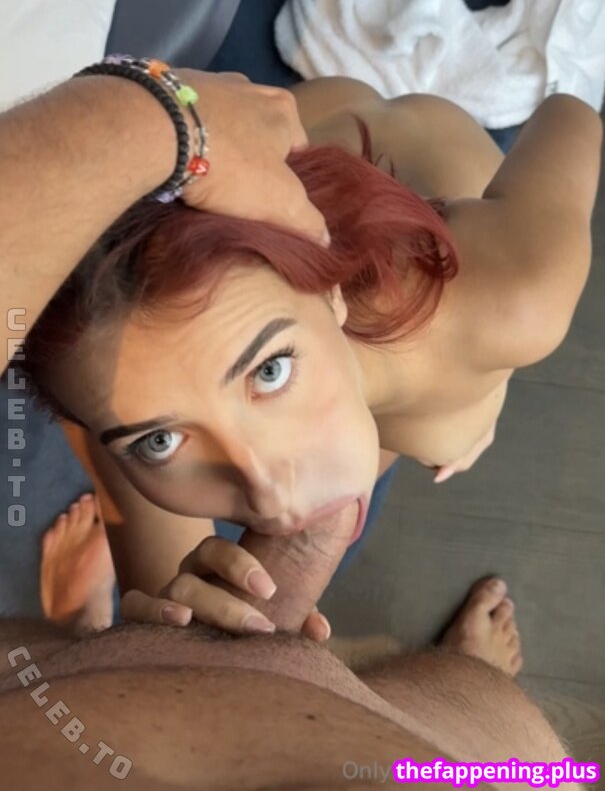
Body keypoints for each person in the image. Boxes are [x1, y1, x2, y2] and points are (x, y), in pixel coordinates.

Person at [0, 64, 588, 786]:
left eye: (272, 370)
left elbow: (570, 109)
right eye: (159, 438)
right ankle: (90, 629)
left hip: (356, 133)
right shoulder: (143, 374)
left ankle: (86, 629)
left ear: (334, 296)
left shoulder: (514, 303)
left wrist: (485, 390)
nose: (270, 497)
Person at [0, 503, 582, 791]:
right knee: (527, 762)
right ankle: (460, 674)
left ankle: (86, 622)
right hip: (447, 750)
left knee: (48, 666)